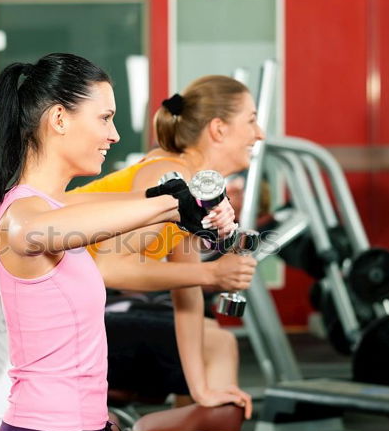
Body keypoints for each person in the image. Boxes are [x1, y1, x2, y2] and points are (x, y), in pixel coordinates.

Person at [0, 52, 272, 431]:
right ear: (59, 119)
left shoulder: (58, 208)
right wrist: (179, 204)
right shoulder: (20, 213)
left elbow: (124, 213)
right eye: (104, 118)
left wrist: (192, 210)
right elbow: (38, 231)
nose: (114, 135)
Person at [69, 74, 264, 410]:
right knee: (218, 343)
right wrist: (213, 275)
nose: (259, 133)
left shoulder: (191, 185)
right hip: (50, 317)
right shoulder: (170, 175)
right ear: (218, 129)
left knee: (211, 338)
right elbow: (110, 268)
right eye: (251, 120)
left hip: (75, 310)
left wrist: (201, 389)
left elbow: (185, 295)